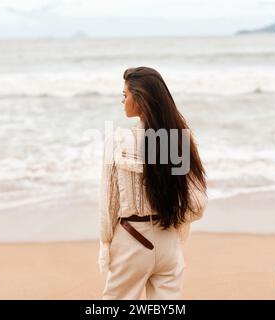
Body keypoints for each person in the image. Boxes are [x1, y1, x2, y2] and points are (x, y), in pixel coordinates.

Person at [98, 66, 208, 300]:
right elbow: (197, 204)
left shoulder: (118, 141)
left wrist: (106, 245)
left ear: (139, 99)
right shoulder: (178, 140)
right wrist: (169, 217)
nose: (122, 100)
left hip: (131, 239)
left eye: (125, 95)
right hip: (168, 241)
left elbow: (108, 206)